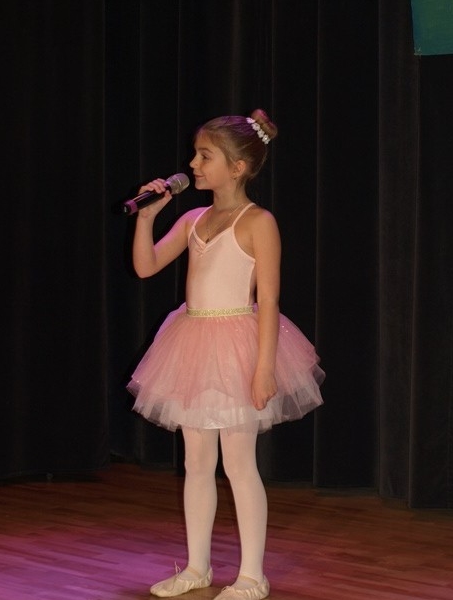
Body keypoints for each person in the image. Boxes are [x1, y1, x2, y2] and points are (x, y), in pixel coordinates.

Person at [126, 108, 325, 600]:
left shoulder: (259, 222)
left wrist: (263, 369)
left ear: (237, 167)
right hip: (193, 344)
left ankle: (252, 575)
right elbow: (147, 267)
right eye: (195, 155)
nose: (193, 164)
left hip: (238, 346)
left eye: (204, 156)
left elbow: (269, 301)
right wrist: (147, 217)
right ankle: (197, 567)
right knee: (196, 461)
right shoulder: (193, 219)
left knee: (238, 462)